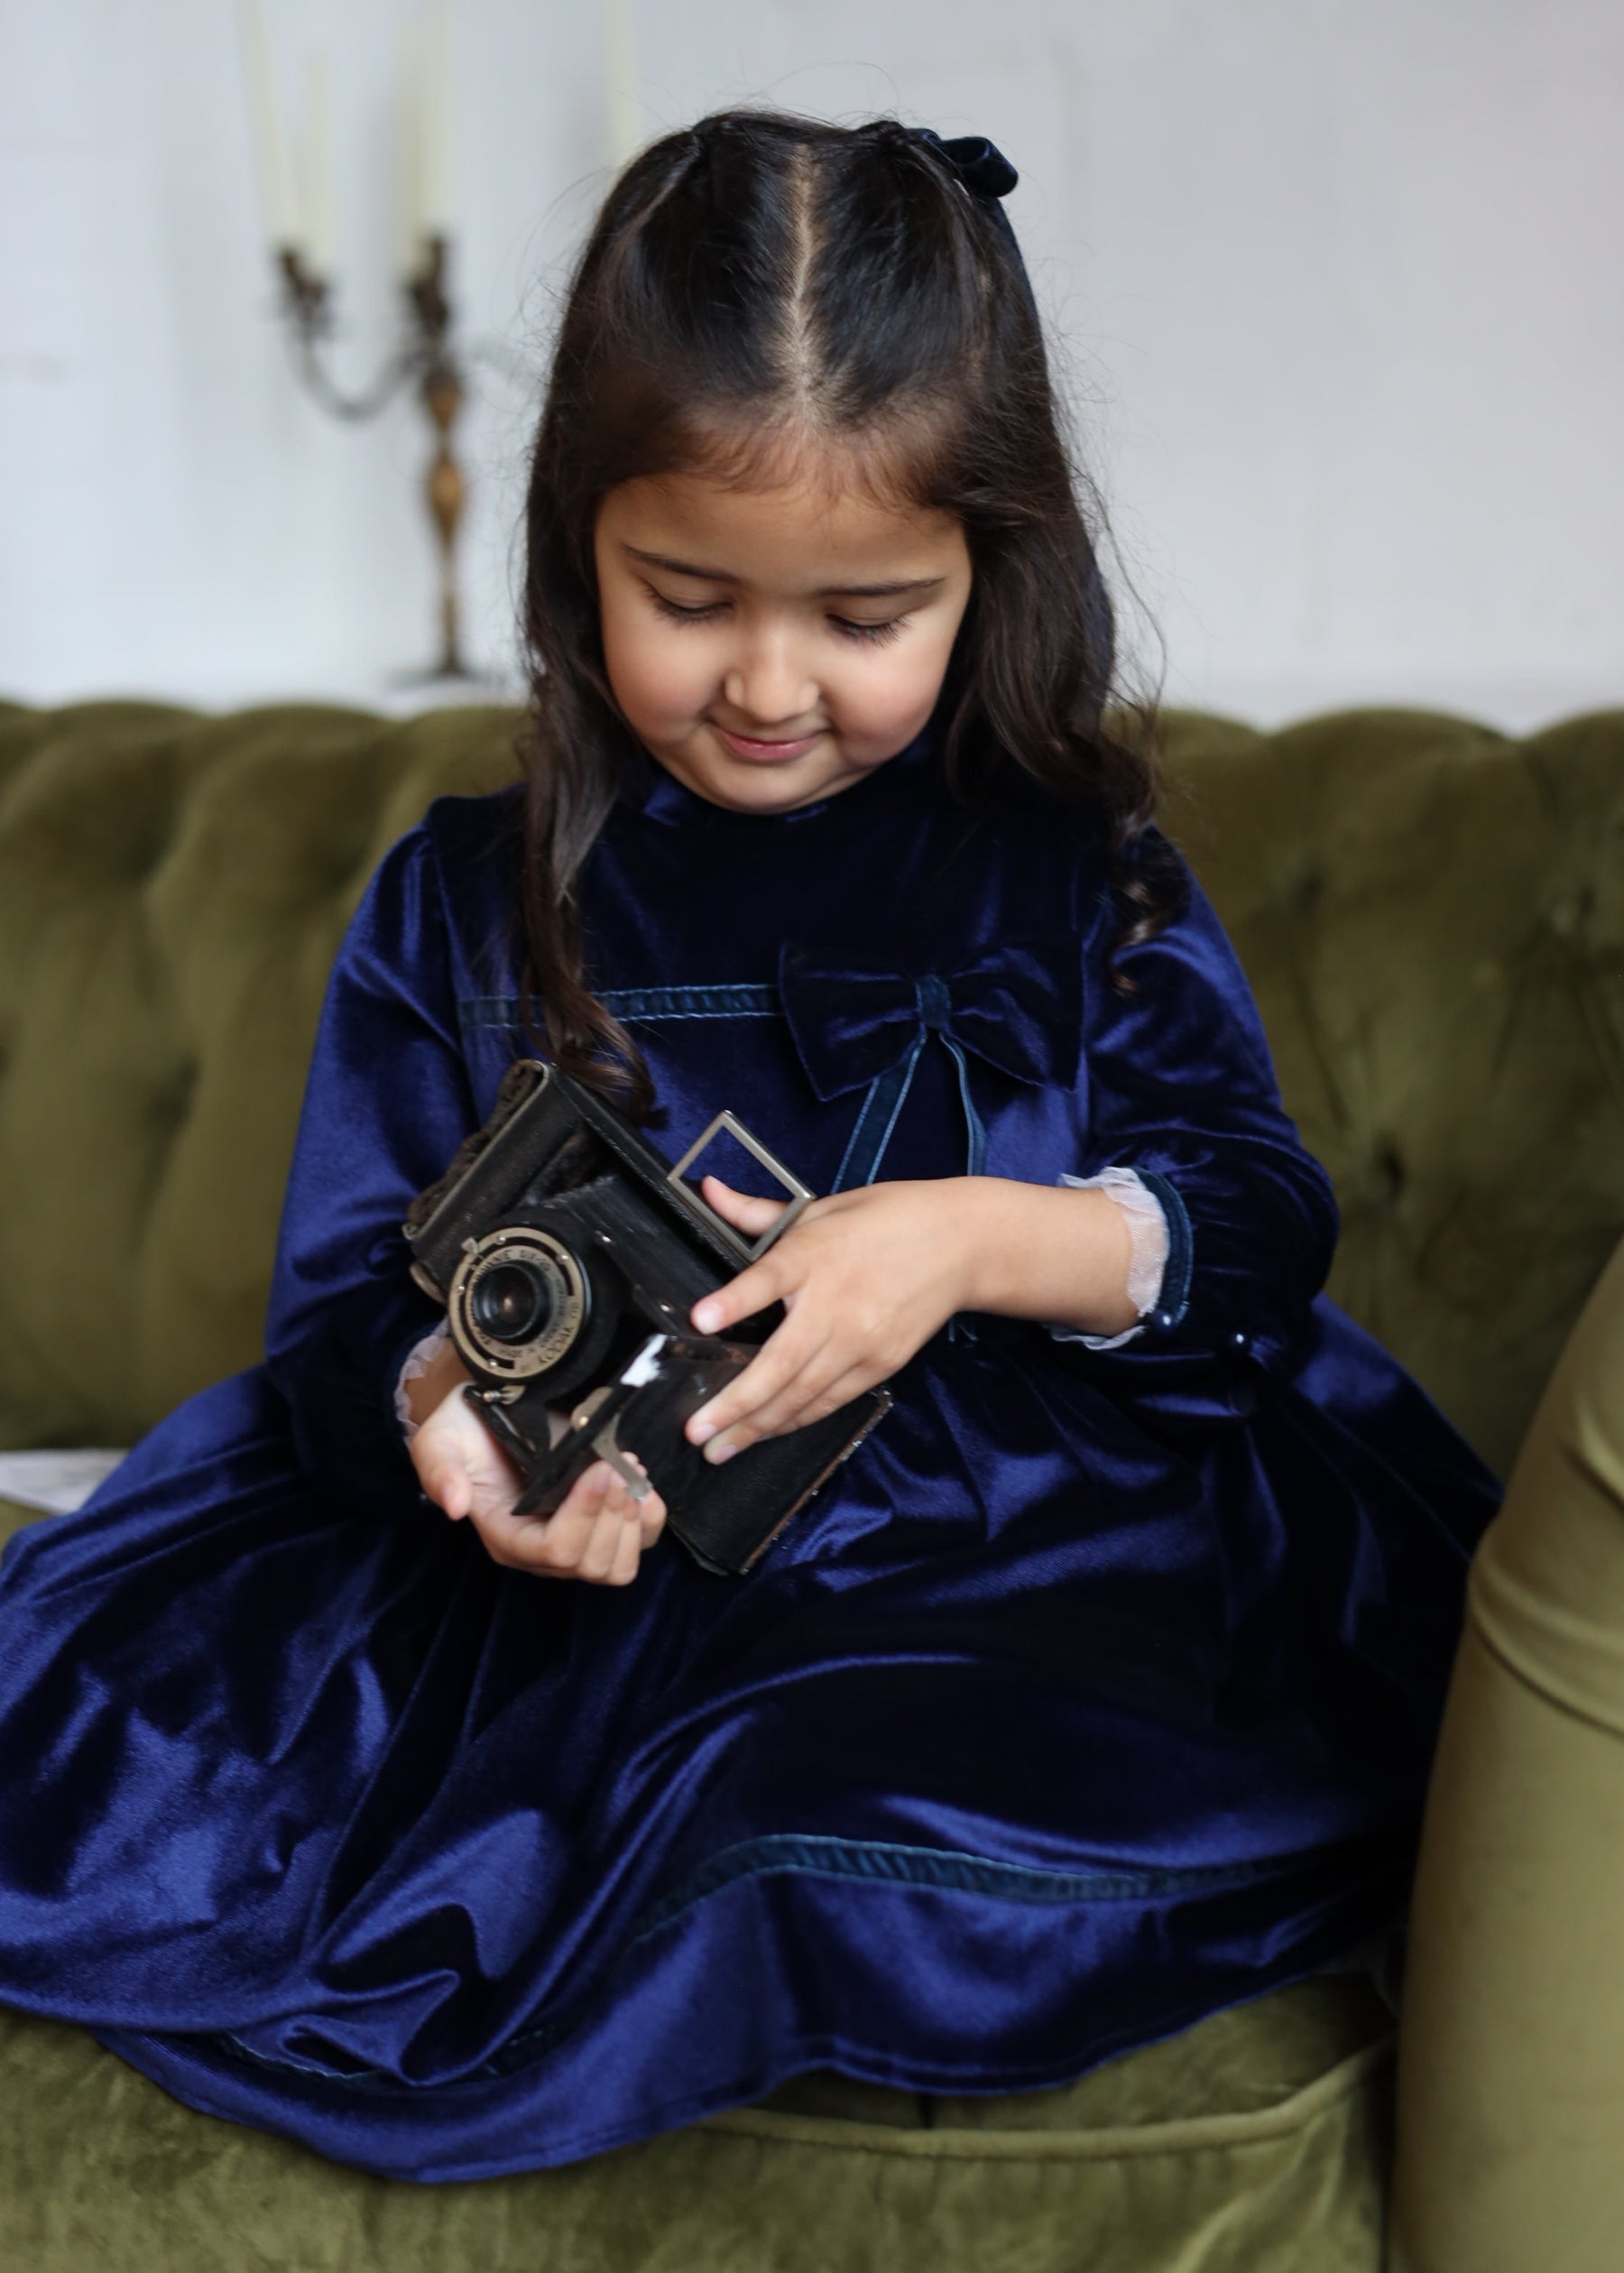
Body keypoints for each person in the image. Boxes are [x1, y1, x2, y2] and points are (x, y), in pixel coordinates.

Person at [0, 110, 1499, 2185]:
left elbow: (1252, 1221)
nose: (770, 687)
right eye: (688, 598)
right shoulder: (462, 900)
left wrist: (966, 1243)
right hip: (593, 1560)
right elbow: (351, 1309)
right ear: (578, 547)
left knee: (818, 1777)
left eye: (867, 616)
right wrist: (454, 1407)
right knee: (206, 1757)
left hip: (1023, 1542)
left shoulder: (1076, 875)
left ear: (989, 574)